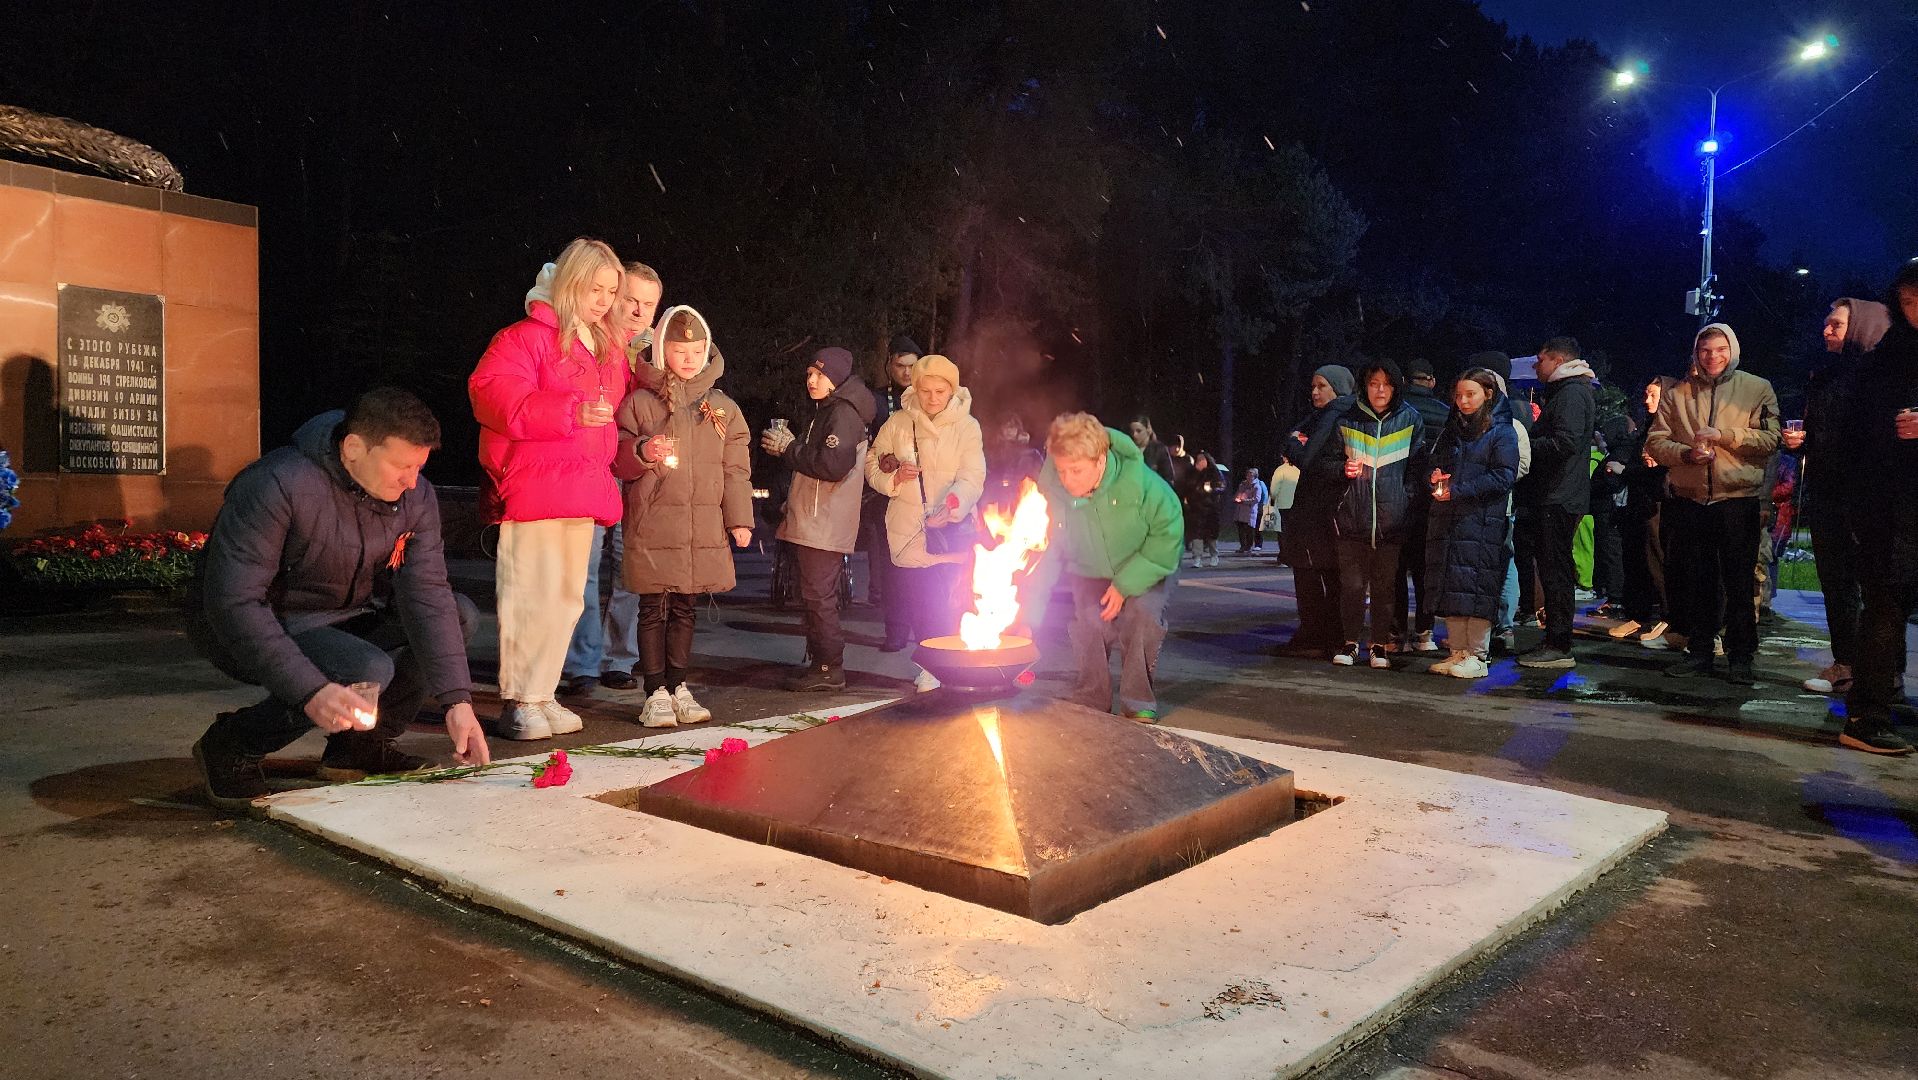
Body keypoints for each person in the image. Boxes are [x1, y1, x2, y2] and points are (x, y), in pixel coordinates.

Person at [190, 388, 490, 812]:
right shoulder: (278, 483)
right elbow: (235, 602)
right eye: (401, 465)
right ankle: (233, 743)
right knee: (366, 669)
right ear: (353, 448)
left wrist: (457, 701)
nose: (411, 481)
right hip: (264, 620)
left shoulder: (413, 495)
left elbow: (427, 594)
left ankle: (359, 748)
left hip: (349, 613)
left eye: (419, 467)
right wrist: (310, 691)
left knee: (457, 614)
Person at [470, 238, 630, 739]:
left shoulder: (604, 346)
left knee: (565, 596)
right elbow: (492, 395)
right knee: (528, 593)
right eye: (593, 288)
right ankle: (519, 700)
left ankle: (542, 692)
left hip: (580, 485)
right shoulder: (523, 337)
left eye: (610, 291)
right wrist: (568, 411)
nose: (603, 300)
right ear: (567, 283)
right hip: (535, 486)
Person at [611, 305, 752, 727]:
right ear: (661, 350)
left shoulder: (723, 408)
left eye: (697, 349)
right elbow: (616, 457)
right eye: (679, 349)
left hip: (702, 523)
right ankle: (654, 691)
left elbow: (735, 468)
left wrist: (739, 519)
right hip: (652, 520)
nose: (689, 358)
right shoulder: (638, 402)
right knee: (653, 605)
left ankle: (679, 686)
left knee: (686, 606)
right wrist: (641, 451)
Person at [1646, 323, 1781, 687]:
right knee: (1698, 582)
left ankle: (1741, 657)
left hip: (1737, 500)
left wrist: (1725, 436)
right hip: (1691, 501)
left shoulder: (1757, 388)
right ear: (1696, 352)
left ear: (1732, 350)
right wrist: (1686, 454)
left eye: (1720, 349)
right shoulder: (1677, 393)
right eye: (1705, 350)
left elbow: (1772, 439)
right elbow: (1656, 442)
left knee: (1739, 583)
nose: (1713, 356)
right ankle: (1701, 650)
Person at [1036, 413, 1184, 721]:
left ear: (1100, 460)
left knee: (1141, 617)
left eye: (1076, 471)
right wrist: (1028, 613)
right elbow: (1045, 549)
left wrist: (1125, 585)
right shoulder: (1052, 490)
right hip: (1089, 567)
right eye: (1062, 470)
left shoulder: (1145, 487)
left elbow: (1166, 539)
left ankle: (1137, 700)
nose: (1067, 480)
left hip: (1145, 562)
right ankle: (1092, 697)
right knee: (1090, 623)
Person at [562, 260, 662, 694]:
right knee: (583, 569)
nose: (639, 311)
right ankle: (580, 663)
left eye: (649, 304)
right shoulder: (588, 343)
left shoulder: (656, 357)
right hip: (591, 468)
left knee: (631, 569)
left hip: (635, 472)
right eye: (632, 300)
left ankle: (618, 657)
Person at [1831, 265, 1918, 754]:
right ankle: (1867, 715)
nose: (1914, 310)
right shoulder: (1887, 359)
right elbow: (1857, 435)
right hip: (1891, 509)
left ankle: (1883, 701)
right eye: (1906, 301)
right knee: (1885, 608)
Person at [1785, 297, 1892, 694]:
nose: (1826, 331)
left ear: (1861, 327)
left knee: (1876, 586)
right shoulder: (1825, 376)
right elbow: (1824, 432)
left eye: (1837, 325)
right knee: (1836, 580)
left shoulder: (1885, 376)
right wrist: (1800, 442)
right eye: (1827, 324)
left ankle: (1883, 673)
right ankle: (1845, 661)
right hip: (1828, 493)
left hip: (1870, 495)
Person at [867, 354, 986, 686]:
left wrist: (952, 504)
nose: (933, 398)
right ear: (916, 389)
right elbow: (872, 463)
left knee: (948, 602)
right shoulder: (898, 423)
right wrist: (894, 478)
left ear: (952, 390)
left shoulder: (967, 426)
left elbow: (973, 476)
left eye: (940, 391)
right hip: (908, 529)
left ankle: (943, 668)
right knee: (918, 603)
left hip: (950, 530)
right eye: (926, 391)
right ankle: (931, 667)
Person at [764, 347, 875, 691]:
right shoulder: (830, 410)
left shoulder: (842, 413)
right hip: (816, 518)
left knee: (818, 596)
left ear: (837, 378)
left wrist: (788, 448)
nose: (811, 380)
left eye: (819, 374)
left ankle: (829, 667)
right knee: (814, 595)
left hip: (823, 521)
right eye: (810, 373)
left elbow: (831, 465)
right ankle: (821, 663)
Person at [1423, 369, 1522, 679]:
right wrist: (1435, 478)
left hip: (1482, 521)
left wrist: (1459, 490)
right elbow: (1435, 463)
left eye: (1471, 395)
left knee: (1478, 587)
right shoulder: (1451, 430)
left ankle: (1477, 655)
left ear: (1488, 394)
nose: (1463, 401)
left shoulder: (1502, 432)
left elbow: (1504, 476)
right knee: (1453, 585)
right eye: (1459, 395)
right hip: (1449, 520)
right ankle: (1458, 652)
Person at [1332, 360, 1424, 668]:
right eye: (1374, 383)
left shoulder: (1410, 419)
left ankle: (1380, 644)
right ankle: (1349, 643)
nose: (1380, 390)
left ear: (1396, 387)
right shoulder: (1347, 419)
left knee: (1386, 587)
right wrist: (1341, 471)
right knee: (1352, 586)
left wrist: (1405, 500)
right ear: (1365, 386)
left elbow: (1416, 469)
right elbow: (1329, 461)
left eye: (1386, 384)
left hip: (1392, 521)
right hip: (1352, 518)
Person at [1516, 337, 1595, 670]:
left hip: (1558, 496)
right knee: (1552, 570)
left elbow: (1565, 442)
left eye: (1540, 360)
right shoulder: (1568, 391)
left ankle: (1559, 644)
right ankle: (1555, 640)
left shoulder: (1573, 393)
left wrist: (1525, 443)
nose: (1536, 367)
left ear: (1558, 360)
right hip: (1557, 494)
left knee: (1556, 572)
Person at [1278, 365, 1357, 657]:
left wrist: (1297, 448)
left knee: (1317, 573)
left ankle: (1319, 634)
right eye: (1313, 386)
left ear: (1337, 387)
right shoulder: (1324, 418)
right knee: (1320, 573)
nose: (1314, 392)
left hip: (1324, 510)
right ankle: (1322, 632)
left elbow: (1314, 461)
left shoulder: (1336, 418)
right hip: (1318, 508)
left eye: (1321, 386)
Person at [1467, 352, 1532, 655]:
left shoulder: (1511, 422)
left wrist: (1491, 477)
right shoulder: (1465, 423)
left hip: (1499, 505)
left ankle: (1502, 626)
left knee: (1503, 564)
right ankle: (1478, 629)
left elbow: (1521, 465)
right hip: (1470, 506)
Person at [863, 334, 920, 649]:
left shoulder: (932, 397)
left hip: (926, 496)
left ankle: (932, 630)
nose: (906, 373)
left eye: (912, 366)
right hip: (888, 496)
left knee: (928, 568)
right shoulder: (875, 399)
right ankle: (896, 631)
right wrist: (882, 458)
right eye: (900, 366)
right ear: (889, 366)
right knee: (893, 565)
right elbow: (867, 444)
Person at [1391, 358, 1451, 653]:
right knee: (1426, 571)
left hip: (1398, 498)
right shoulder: (1445, 413)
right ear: (1431, 381)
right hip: (1432, 503)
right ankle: (1424, 632)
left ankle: (1396, 631)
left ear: (1404, 381)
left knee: (1396, 569)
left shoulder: (1397, 413)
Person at [1611, 378, 1673, 643]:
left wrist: (1628, 469)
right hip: (1640, 501)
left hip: (1658, 503)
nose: (1646, 401)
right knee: (1637, 560)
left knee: (1658, 559)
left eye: (1653, 396)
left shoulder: (1671, 427)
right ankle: (1638, 614)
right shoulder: (1648, 426)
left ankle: (1669, 619)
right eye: (1646, 395)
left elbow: (1665, 464)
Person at [1178, 450, 1227, 567]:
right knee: (1196, 534)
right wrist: (1187, 499)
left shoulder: (1214, 472)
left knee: (1211, 534)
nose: (1199, 463)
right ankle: (1197, 558)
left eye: (1201, 460)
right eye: (1198, 460)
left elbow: (1222, 486)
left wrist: (1212, 489)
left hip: (1210, 508)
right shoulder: (1191, 473)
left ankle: (1214, 555)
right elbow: (1186, 487)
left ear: (1206, 461)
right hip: (1196, 508)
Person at [1128, 415, 1179, 488]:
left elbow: (1168, 478)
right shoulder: (1128, 447)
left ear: (1148, 430)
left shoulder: (1159, 449)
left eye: (1139, 431)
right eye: (1132, 431)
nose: (1134, 435)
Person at [1232, 467, 1269, 554]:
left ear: (1255, 476)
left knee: (1249, 529)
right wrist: (1236, 498)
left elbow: (1257, 499)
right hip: (1240, 510)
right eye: (1248, 475)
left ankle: (1248, 546)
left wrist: (1245, 501)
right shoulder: (1243, 484)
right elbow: (1238, 493)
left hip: (1250, 510)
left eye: (1251, 475)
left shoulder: (1257, 486)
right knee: (1241, 529)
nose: (1249, 476)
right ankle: (1242, 546)